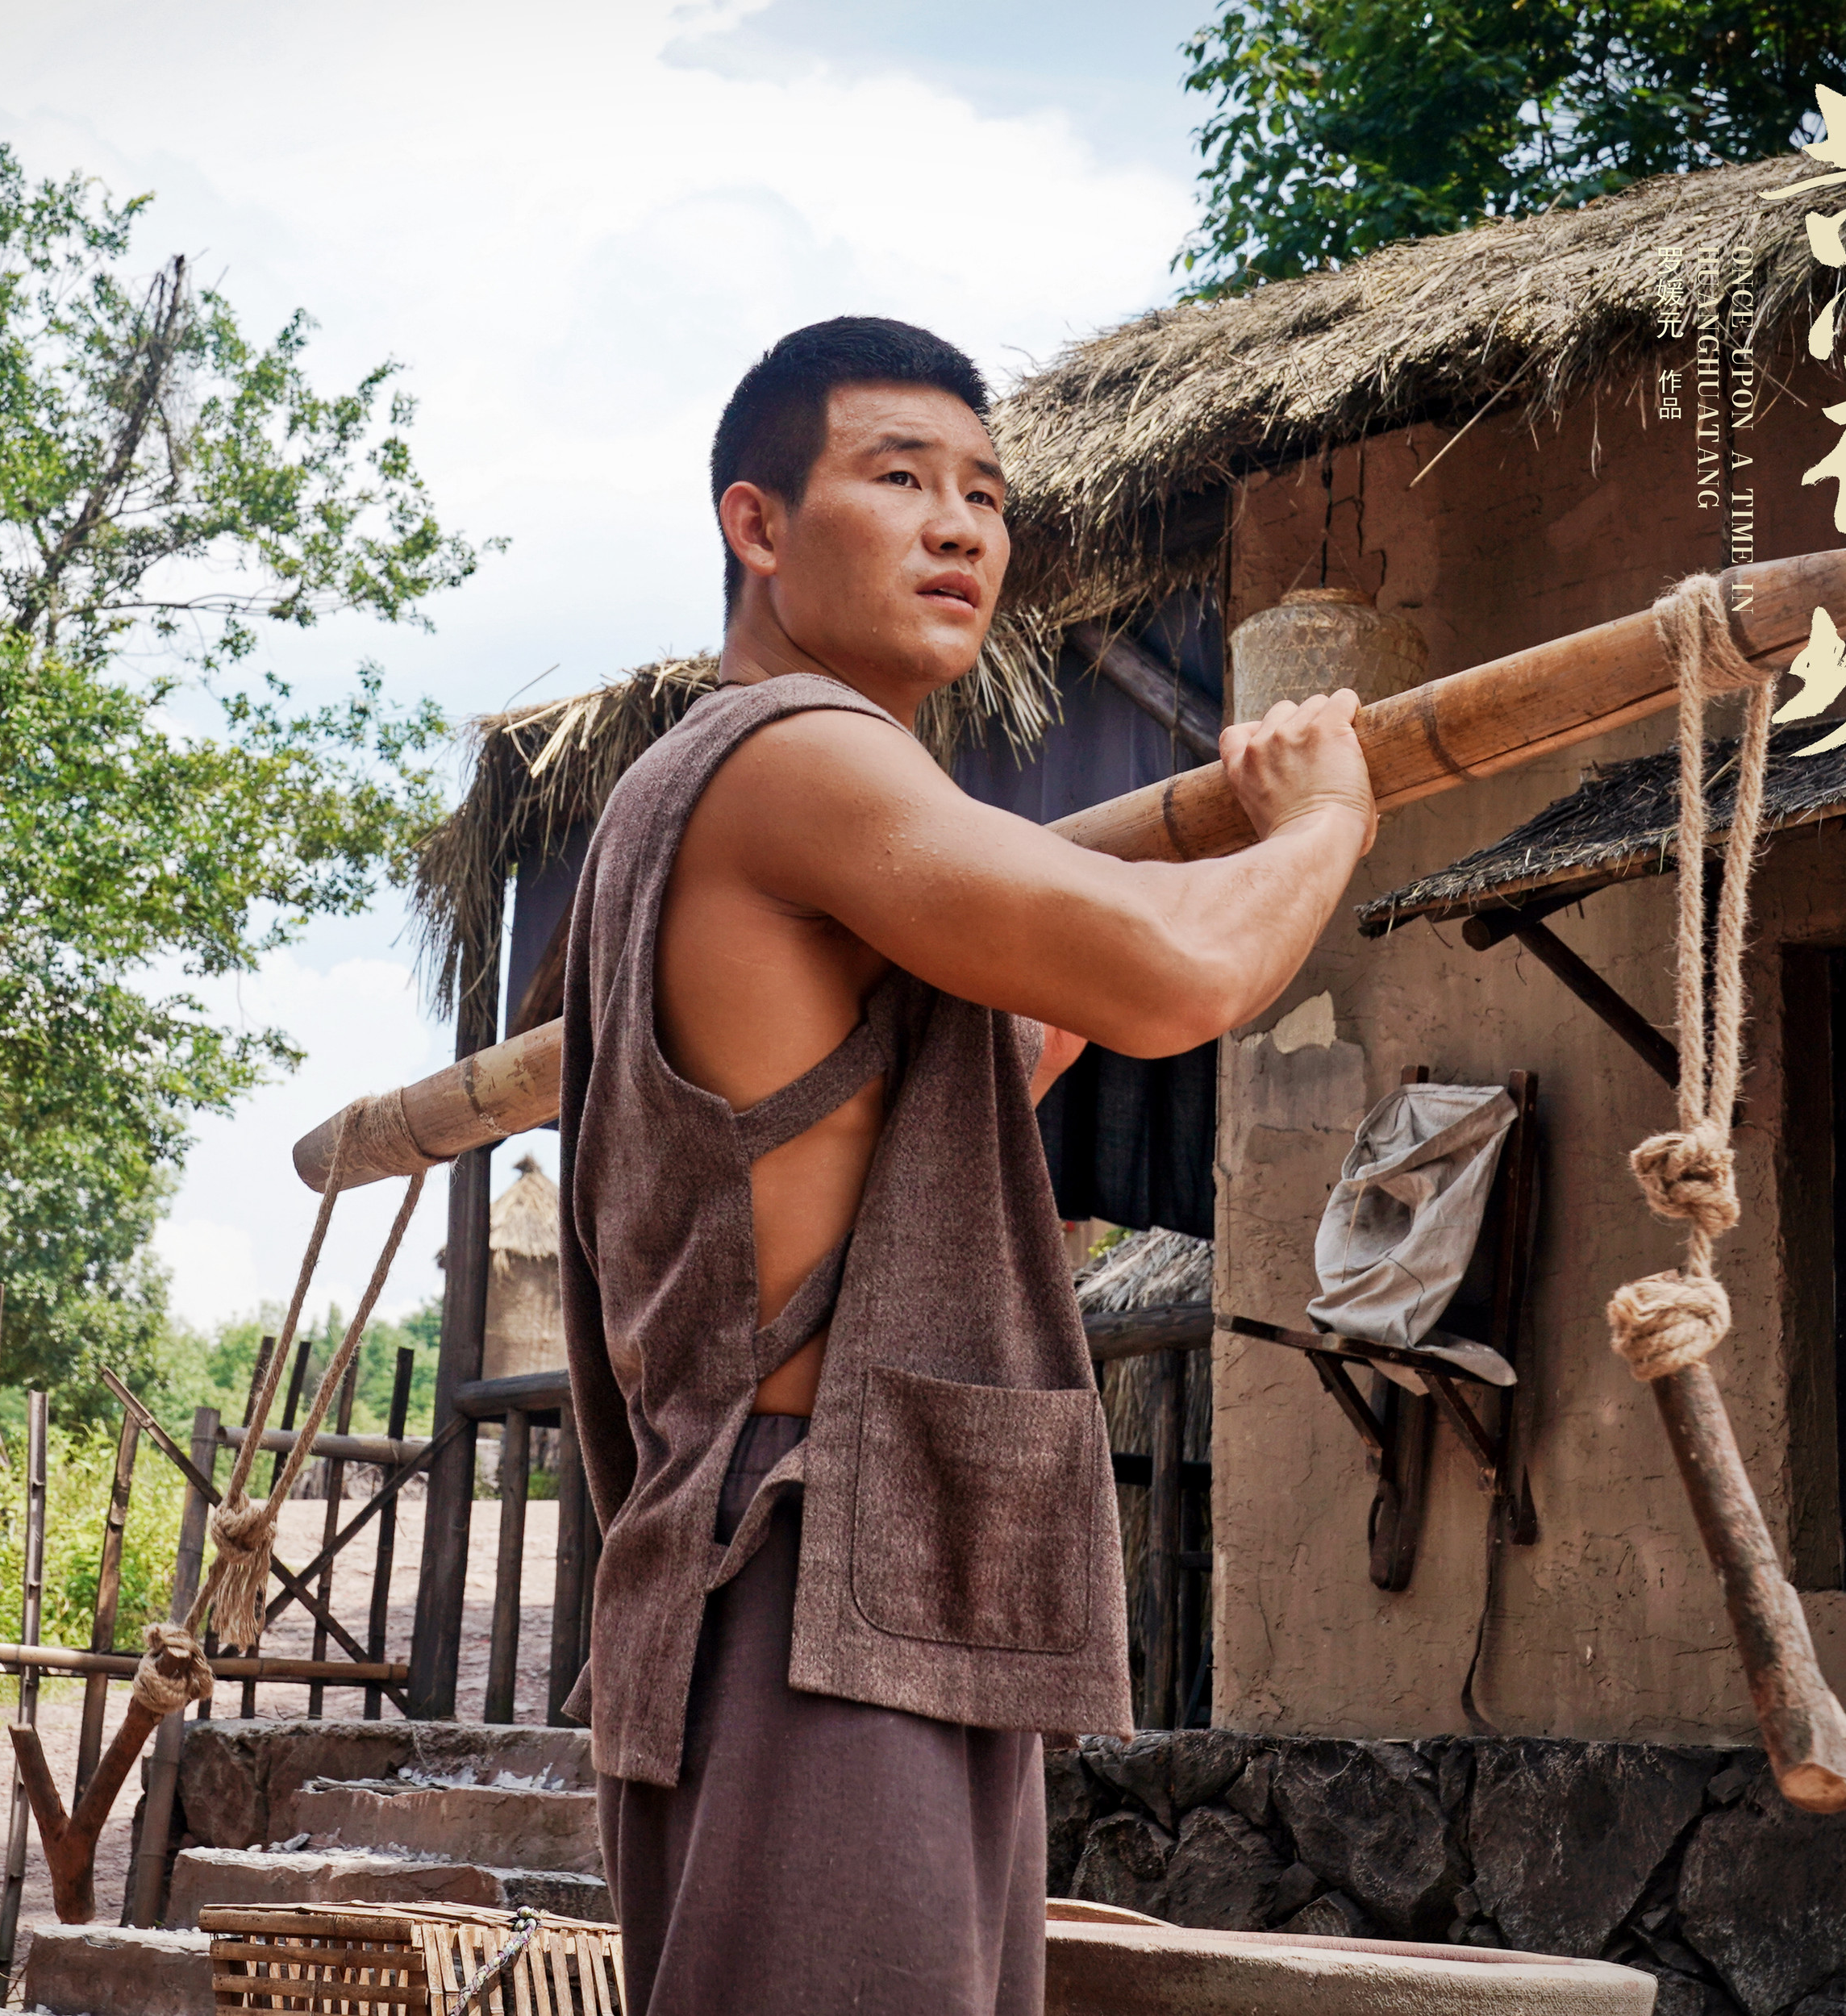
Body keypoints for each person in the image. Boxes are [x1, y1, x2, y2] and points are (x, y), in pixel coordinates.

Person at [556, 317, 1380, 2014]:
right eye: (900, 476)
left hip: (829, 1572)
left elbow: (945, 1100)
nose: (961, 527)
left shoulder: (704, 795)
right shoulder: (796, 756)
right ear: (758, 524)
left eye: (988, 493)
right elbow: (1179, 981)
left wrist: (1051, 972)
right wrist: (1326, 823)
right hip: (815, 1572)